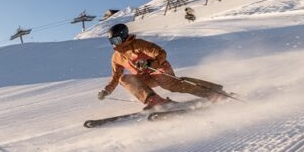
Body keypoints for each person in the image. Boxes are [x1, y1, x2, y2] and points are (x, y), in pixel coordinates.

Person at [97, 23, 226, 110]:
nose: (114, 44)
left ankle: (212, 92)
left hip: (158, 69)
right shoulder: (116, 57)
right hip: (144, 77)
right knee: (124, 79)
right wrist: (107, 90)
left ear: (124, 37)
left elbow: (160, 53)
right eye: (111, 41)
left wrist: (150, 63)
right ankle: (154, 101)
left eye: (116, 40)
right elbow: (115, 76)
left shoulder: (139, 44)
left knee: (172, 85)